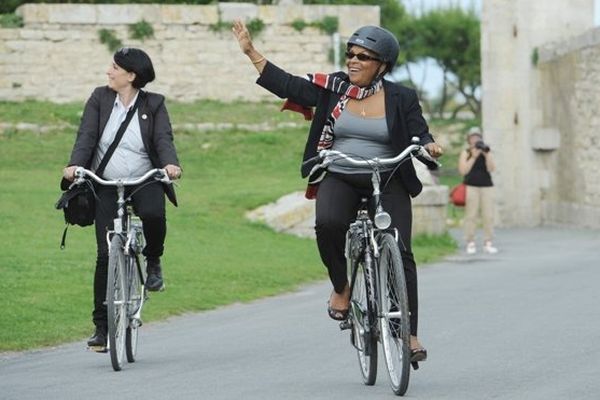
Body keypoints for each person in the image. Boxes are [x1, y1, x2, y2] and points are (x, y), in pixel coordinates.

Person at [232, 20, 443, 362]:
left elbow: (420, 131)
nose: (353, 61)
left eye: (364, 57)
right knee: (328, 224)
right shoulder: (334, 88)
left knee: (401, 252)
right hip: (341, 173)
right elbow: (289, 85)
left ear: (382, 66)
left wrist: (430, 145)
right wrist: (250, 52)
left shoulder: (402, 97)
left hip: (386, 178)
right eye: (351, 55)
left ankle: (408, 333)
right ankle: (342, 288)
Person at [62, 47, 182, 351]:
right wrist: (75, 166)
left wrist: (170, 164)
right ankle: (101, 328)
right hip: (105, 182)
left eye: (114, 67)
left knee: (154, 214)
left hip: (143, 179)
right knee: (105, 254)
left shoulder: (154, 104)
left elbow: (162, 139)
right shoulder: (99, 99)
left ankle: (153, 259)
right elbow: (86, 136)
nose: (108, 71)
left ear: (131, 75)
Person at [458, 126, 498, 255]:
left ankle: (488, 242)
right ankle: (470, 242)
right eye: (473, 137)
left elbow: (492, 169)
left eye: (477, 137)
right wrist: (473, 157)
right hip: (471, 186)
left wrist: (487, 155)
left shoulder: (486, 151)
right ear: (469, 139)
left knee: (489, 216)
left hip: (487, 186)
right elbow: (463, 171)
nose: (475, 139)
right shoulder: (466, 152)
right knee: (471, 215)